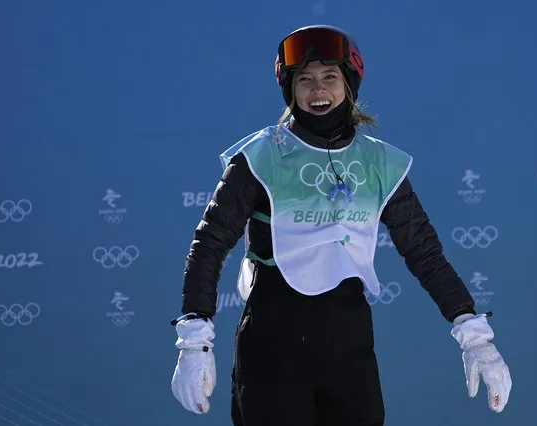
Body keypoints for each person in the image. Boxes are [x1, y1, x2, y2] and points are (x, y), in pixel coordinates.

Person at [169, 25, 512, 425]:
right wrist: (194, 339)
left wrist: (473, 333)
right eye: (306, 79)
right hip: (271, 343)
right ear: (290, 89)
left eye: (329, 77)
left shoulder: (379, 163)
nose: (318, 89)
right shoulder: (260, 157)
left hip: (348, 345)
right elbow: (209, 243)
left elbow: (423, 251)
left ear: (348, 84)